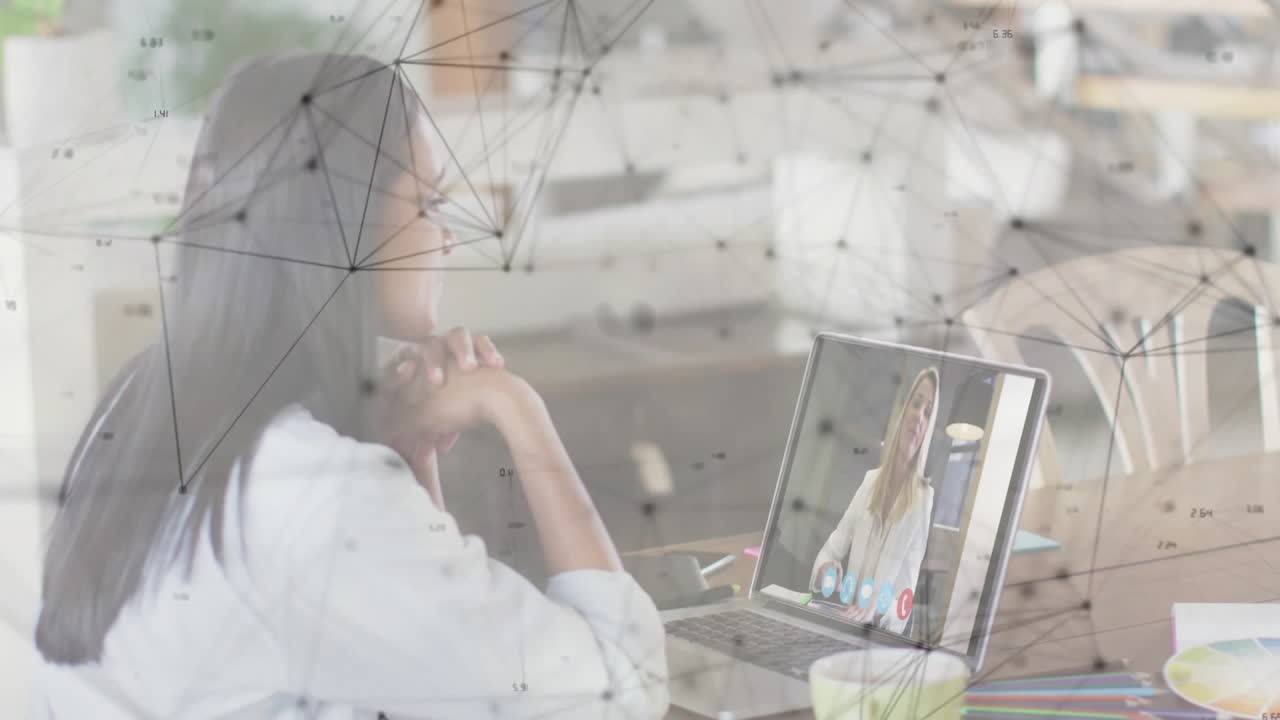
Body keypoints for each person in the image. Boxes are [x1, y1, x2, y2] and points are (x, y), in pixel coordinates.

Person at [30, 52, 669, 719]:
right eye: (427, 202)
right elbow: (621, 693)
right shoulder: (315, 488)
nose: (448, 237)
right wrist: (518, 408)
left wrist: (414, 462)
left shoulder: (147, 405)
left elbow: (429, 682)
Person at [807, 367, 939, 635]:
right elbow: (829, 552)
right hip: (842, 622)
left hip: (877, 636)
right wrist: (824, 570)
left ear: (929, 428)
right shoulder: (869, 482)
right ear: (903, 412)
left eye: (927, 411)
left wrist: (876, 608)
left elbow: (904, 599)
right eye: (915, 404)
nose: (918, 416)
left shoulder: (924, 499)